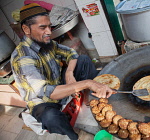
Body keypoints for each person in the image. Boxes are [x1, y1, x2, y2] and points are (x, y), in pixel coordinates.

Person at [10, 3, 114, 140]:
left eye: (49, 26)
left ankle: (91, 100)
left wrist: (69, 72)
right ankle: (76, 135)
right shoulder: (23, 58)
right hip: (43, 100)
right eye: (42, 27)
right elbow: (49, 92)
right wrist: (87, 83)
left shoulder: (46, 42)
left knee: (83, 60)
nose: (48, 31)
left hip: (59, 83)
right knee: (50, 117)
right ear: (26, 29)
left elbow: (71, 52)